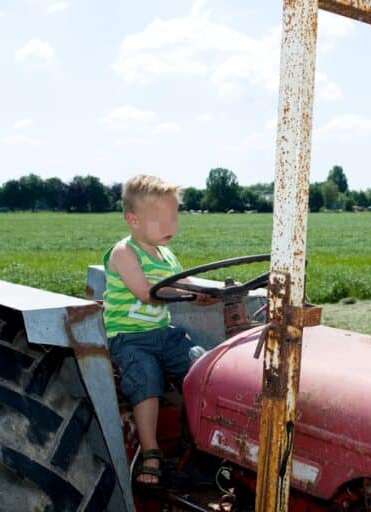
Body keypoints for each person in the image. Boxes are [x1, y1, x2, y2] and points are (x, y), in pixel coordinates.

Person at [103, 174, 212, 490]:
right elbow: (146, 292)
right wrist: (188, 295)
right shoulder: (125, 253)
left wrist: (204, 294)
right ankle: (150, 452)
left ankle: (200, 445)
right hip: (128, 336)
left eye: (174, 217)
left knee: (201, 368)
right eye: (161, 219)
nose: (171, 226)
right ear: (132, 220)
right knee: (145, 376)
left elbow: (186, 284)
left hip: (163, 334)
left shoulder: (167, 255)